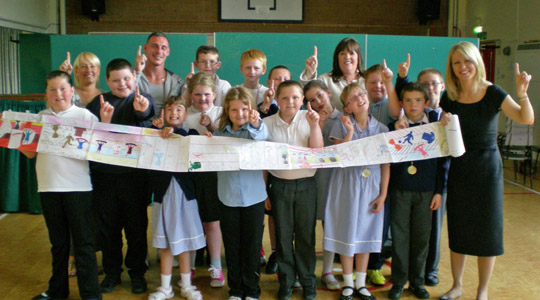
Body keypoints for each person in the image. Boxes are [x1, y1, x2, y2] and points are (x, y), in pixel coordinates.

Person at [439, 41, 534, 300]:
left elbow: (525, 118)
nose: (462, 67)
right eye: (456, 63)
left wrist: (523, 93)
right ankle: (457, 285)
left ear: (476, 61)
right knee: (459, 228)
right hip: (460, 168)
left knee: (486, 230)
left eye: (466, 61)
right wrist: (441, 121)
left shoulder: (493, 92)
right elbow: (440, 135)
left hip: (487, 169)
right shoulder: (449, 96)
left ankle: (482, 290)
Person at [21, 70, 101, 300]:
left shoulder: (86, 117)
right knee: (58, 244)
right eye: (52, 90)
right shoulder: (39, 118)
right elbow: (28, 153)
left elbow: (97, 151)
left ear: (72, 91)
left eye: (63, 88)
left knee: (84, 243)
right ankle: (57, 291)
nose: (58, 94)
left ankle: (90, 293)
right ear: (46, 93)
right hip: (48, 188)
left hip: (78, 189)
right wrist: (14, 136)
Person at [86, 58, 156, 294]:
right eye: (115, 80)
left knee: (136, 229)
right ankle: (112, 273)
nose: (122, 83)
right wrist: (103, 123)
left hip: (135, 179)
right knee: (108, 229)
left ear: (134, 77)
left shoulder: (143, 100)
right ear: (107, 81)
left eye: (126, 78)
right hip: (104, 178)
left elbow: (148, 125)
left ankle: (137, 273)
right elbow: (89, 139)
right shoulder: (98, 102)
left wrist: (141, 111)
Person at [323, 82, 389, 300]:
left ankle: (361, 283)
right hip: (346, 185)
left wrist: (383, 194)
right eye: (353, 97)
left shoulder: (381, 129)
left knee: (366, 233)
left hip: (372, 186)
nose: (360, 98)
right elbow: (341, 157)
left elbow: (386, 164)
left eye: (362, 93)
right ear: (347, 107)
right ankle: (348, 283)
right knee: (347, 231)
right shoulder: (341, 126)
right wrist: (350, 132)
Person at [386, 82, 447, 300]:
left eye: (418, 100)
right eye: (408, 100)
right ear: (401, 104)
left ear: (427, 103)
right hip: (400, 190)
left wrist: (439, 191)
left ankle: (418, 282)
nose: (413, 105)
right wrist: (397, 136)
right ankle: (399, 282)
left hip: (427, 191)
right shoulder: (393, 127)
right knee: (400, 238)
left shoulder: (436, 127)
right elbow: (388, 162)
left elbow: (442, 163)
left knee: (422, 238)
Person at [263, 80, 323, 300]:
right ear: (277, 100)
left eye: (296, 97)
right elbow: (263, 162)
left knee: (306, 236)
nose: (290, 102)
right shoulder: (267, 124)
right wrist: (265, 192)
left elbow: (317, 153)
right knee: (283, 236)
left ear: (303, 100)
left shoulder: (310, 120)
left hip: (306, 185)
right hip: (279, 186)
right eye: (285, 98)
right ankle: (286, 281)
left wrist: (315, 125)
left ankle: (308, 282)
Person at [209, 86, 268, 300]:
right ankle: (236, 289)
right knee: (232, 246)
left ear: (250, 108)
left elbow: (262, 136)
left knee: (252, 245)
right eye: (234, 110)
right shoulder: (220, 133)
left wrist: (254, 123)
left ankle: (252, 290)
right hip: (228, 198)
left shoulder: (256, 129)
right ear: (227, 111)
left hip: (254, 198)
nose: (239, 114)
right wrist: (208, 142)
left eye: (244, 109)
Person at [147, 96, 206, 300]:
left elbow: (199, 154)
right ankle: (165, 287)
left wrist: (176, 133)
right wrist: (161, 132)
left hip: (186, 197)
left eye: (179, 109)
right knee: (166, 245)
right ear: (163, 114)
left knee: (184, 244)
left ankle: (187, 285)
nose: (174, 113)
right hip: (162, 198)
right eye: (169, 109)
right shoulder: (155, 135)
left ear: (186, 114)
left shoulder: (191, 134)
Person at [183, 72, 225, 288]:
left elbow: (228, 141)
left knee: (212, 223)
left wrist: (212, 128)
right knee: (190, 222)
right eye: (197, 94)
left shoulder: (222, 113)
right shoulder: (184, 116)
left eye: (206, 94)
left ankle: (216, 267)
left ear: (215, 94)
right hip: (189, 177)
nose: (202, 99)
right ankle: (188, 268)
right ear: (190, 95)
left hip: (213, 177)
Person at [363, 62, 400, 286]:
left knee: (382, 223)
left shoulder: (391, 104)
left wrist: (389, 82)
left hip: (386, 172)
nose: (377, 86)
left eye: (381, 82)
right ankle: (360, 264)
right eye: (372, 82)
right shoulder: (360, 103)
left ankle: (375, 265)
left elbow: (396, 113)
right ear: (364, 84)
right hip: (363, 175)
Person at [303, 80, 342, 291]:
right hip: (311, 182)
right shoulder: (306, 119)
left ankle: (327, 270)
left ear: (328, 92)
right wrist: (318, 125)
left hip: (334, 182)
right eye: (311, 100)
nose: (318, 102)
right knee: (307, 228)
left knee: (331, 227)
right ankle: (306, 271)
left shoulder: (344, 117)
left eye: (320, 95)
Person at [257, 64, 291, 273]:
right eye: (276, 78)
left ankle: (286, 254)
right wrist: (265, 106)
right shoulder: (264, 107)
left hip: (291, 170)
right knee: (272, 214)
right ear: (269, 82)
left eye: (284, 78)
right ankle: (274, 252)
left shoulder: (296, 106)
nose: (280, 81)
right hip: (269, 168)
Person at [299, 38, 366, 112]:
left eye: (351, 53)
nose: (347, 57)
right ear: (337, 58)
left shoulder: (367, 80)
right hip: (331, 123)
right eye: (342, 53)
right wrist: (310, 72)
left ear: (358, 57)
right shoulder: (326, 80)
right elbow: (307, 93)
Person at [134, 31, 184, 112]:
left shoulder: (177, 82)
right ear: (145, 48)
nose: (159, 51)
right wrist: (137, 72)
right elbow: (124, 101)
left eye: (163, 48)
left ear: (168, 52)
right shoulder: (131, 78)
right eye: (154, 46)